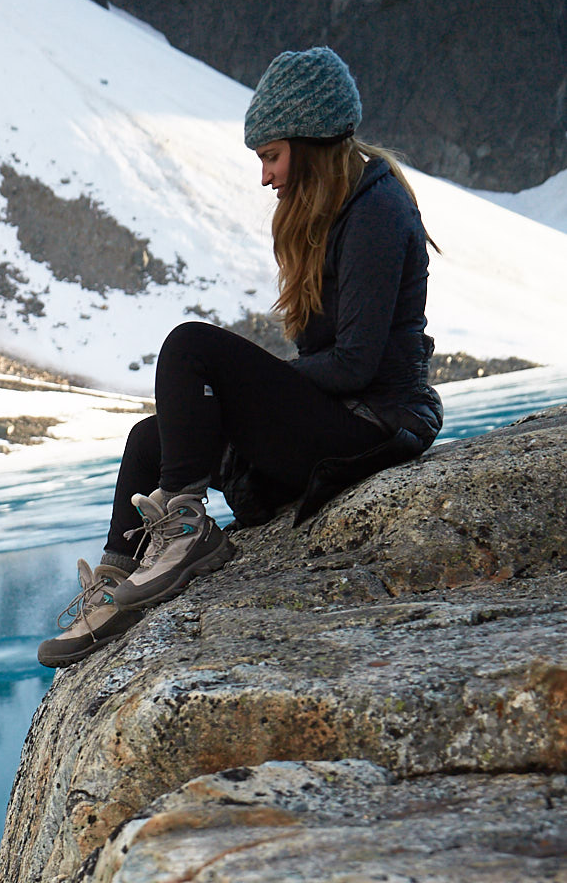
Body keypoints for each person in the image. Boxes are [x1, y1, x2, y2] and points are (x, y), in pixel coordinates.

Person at [37, 45, 442, 670]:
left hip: (378, 425)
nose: (265, 176)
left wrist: (239, 394)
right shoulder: (320, 215)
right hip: (337, 422)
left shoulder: (377, 213)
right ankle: (113, 592)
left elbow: (356, 366)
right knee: (152, 440)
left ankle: (186, 535)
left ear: (310, 142)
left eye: (272, 156)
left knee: (190, 348)